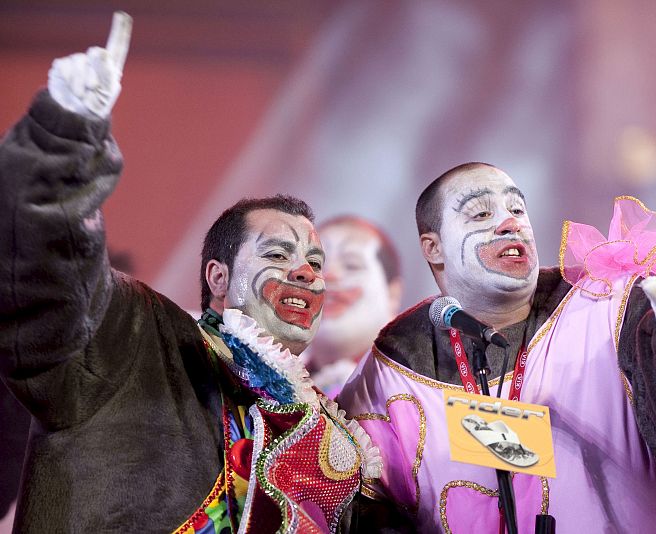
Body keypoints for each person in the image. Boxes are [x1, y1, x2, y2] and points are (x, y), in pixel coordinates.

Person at [0, 13, 380, 532]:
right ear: (218, 279)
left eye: (315, 262)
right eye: (276, 255)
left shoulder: (332, 426)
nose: (305, 274)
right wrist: (63, 135)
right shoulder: (137, 338)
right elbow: (49, 268)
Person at [337, 162, 656, 532]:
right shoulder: (393, 369)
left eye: (517, 208)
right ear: (431, 247)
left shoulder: (617, 312)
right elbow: (359, 511)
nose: (510, 222)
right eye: (479, 214)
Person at [303, 216, 402, 397]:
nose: (328, 275)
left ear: (393, 293)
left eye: (351, 265)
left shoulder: (420, 383)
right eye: (315, 265)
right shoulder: (270, 381)